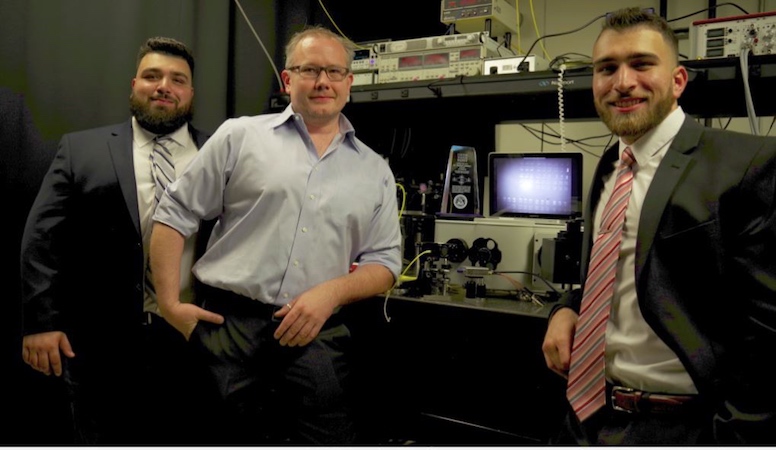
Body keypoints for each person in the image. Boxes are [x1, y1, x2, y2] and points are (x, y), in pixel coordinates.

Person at [149, 25, 402, 445]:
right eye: (310, 70)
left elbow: (385, 263)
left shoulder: (375, 169)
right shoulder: (240, 136)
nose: (323, 81)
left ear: (349, 83)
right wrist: (169, 303)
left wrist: (331, 294)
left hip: (317, 332)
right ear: (288, 80)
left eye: (335, 72)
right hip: (228, 328)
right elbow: (174, 213)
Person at [541, 7, 776, 445]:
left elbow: (767, 337)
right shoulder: (612, 165)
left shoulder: (748, 165)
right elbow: (616, 272)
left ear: (678, 80)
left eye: (642, 64)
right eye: (606, 68)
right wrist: (567, 308)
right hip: (586, 417)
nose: (622, 81)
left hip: (678, 427)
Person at [20, 36, 214, 445]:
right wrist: (41, 323)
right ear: (133, 85)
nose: (164, 86)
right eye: (152, 76)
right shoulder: (81, 149)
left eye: (177, 79)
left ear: (191, 94)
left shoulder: (219, 152)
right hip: (99, 345)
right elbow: (42, 240)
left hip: (195, 340)